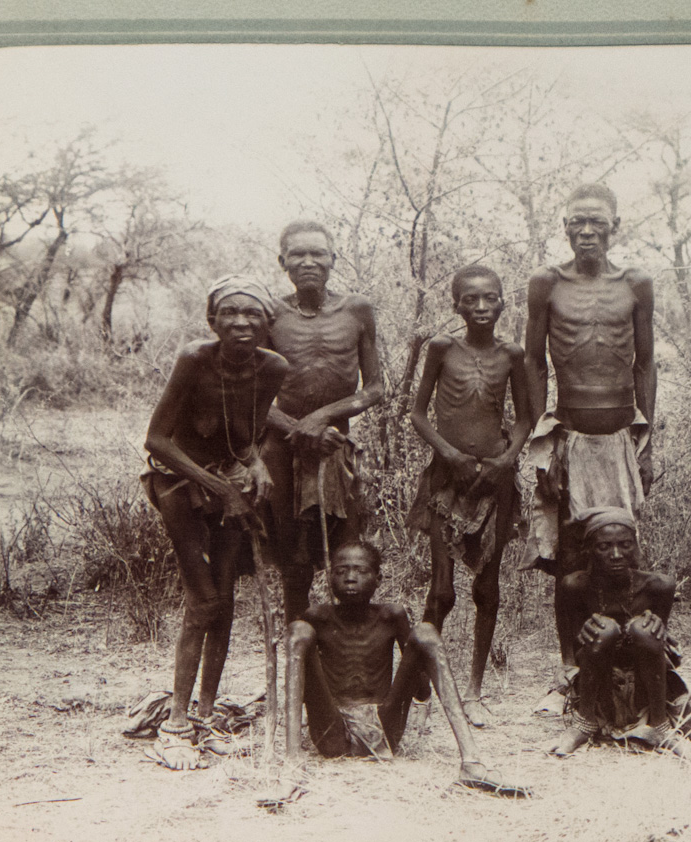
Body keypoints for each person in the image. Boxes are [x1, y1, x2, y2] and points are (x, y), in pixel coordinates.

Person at [141, 275, 289, 770]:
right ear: (212, 321)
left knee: (224, 599)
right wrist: (219, 485)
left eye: (253, 314)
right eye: (230, 313)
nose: (241, 323)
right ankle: (176, 722)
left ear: (268, 324)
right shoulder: (193, 359)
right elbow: (157, 440)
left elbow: (246, 434)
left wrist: (255, 465)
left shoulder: (273, 367)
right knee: (202, 599)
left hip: (227, 481)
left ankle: (206, 715)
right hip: (179, 479)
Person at [524, 184, 656, 712]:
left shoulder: (636, 283)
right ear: (565, 228)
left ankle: (621, 666)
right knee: (568, 563)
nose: (586, 232)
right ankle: (570, 672)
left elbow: (645, 363)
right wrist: (543, 442)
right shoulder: (547, 283)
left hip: (622, 434)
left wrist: (646, 441)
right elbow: (534, 361)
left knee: (619, 553)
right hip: (569, 435)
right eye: (577, 222)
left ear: (614, 226)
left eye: (596, 223)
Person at [286, 541, 530, 797]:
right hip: (331, 732)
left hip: (385, 727)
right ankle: (292, 764)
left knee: (425, 631)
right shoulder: (318, 617)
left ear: (378, 578)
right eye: (341, 571)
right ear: (329, 576)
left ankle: (472, 763)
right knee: (298, 630)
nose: (349, 578)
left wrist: (423, 701)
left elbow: (418, 677)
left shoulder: (391, 616)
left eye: (360, 571)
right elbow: (304, 685)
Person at [408, 265, 532, 727]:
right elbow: (418, 412)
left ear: (503, 302)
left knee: (487, 586)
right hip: (448, 479)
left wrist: (506, 460)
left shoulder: (512, 354)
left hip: (495, 481)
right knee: (442, 590)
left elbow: (525, 417)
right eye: (471, 300)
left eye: (490, 299)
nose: (481, 308)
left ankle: (476, 690)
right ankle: (423, 677)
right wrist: (450, 454)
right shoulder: (442, 348)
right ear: (456, 305)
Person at [264, 220, 384, 624]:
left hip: (338, 446)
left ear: (334, 259)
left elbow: (376, 388)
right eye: (298, 254)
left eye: (318, 253)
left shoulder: (357, 308)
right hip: (282, 447)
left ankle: (345, 656)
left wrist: (323, 417)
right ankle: (300, 662)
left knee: (347, 556)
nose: (309, 261)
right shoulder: (270, 312)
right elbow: (252, 396)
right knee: (294, 561)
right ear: (283, 261)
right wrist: (297, 429)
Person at [549, 509, 691, 761]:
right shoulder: (575, 586)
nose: (616, 555)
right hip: (598, 686)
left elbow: (658, 647)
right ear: (589, 550)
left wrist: (649, 627)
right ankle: (584, 723)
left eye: (625, 545)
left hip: (645, 683)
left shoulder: (659, 586)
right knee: (604, 629)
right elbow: (576, 651)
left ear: (635, 547)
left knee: (643, 628)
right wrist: (591, 631)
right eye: (604, 547)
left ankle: (660, 726)